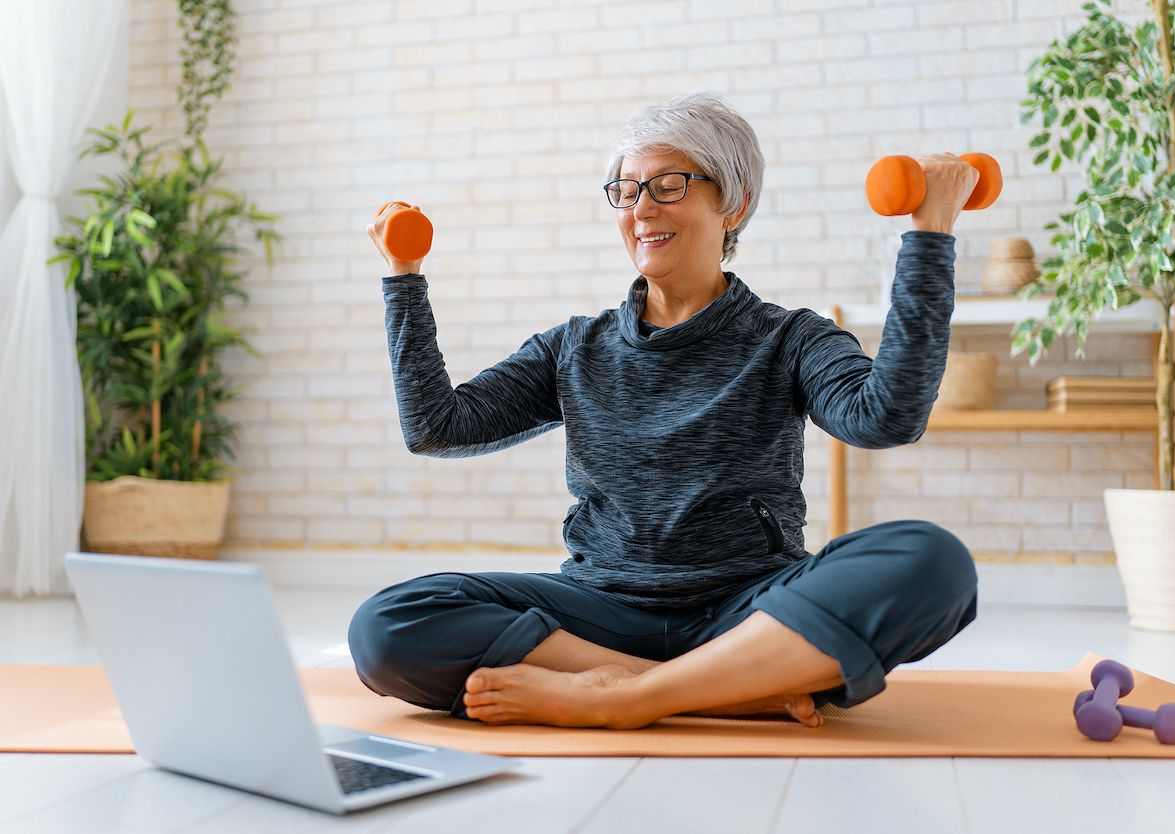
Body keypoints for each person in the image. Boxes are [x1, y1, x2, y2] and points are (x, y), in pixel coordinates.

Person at [351, 92, 980, 730]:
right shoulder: (576, 347)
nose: (641, 209)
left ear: (732, 203)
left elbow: (886, 417)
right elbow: (438, 428)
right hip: (599, 615)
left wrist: (929, 235)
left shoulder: (791, 338)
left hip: (750, 611)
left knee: (934, 562)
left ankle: (623, 697)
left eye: (668, 186)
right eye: (625, 191)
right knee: (387, 624)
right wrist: (405, 277)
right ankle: (710, 690)